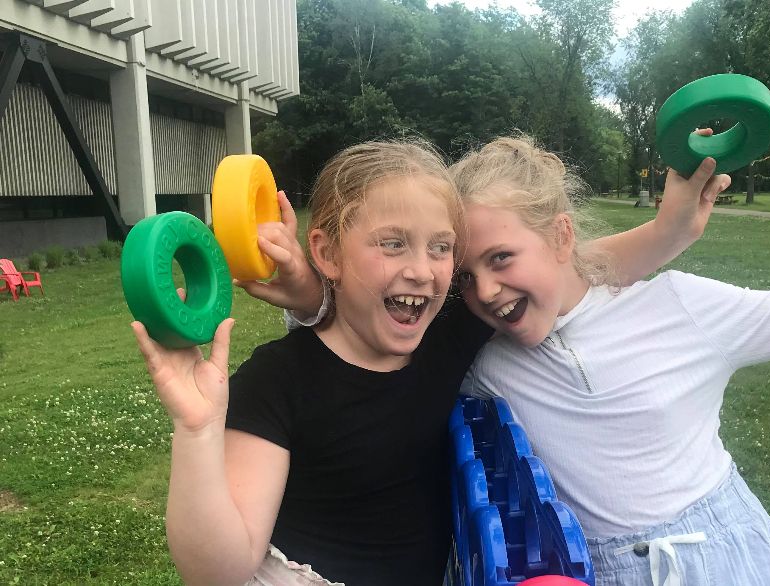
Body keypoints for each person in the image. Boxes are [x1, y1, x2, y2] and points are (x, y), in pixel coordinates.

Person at [131, 137, 730, 585]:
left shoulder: (444, 335)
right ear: (327, 252)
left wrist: (669, 231)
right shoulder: (278, 380)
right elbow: (220, 571)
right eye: (393, 243)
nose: (422, 270)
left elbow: (561, 266)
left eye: (441, 248)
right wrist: (197, 430)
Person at [447, 114, 770, 586]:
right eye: (465, 276)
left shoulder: (677, 305)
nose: (485, 291)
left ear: (563, 236)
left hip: (728, 558)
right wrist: (663, 232)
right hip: (598, 571)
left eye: (501, 258)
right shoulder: (486, 366)